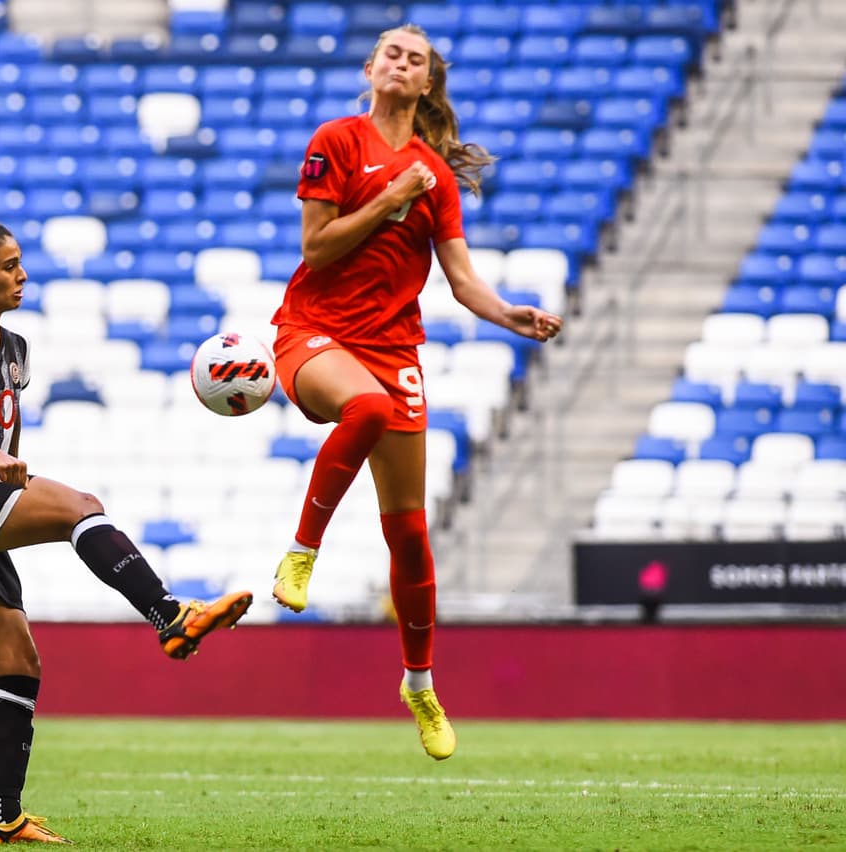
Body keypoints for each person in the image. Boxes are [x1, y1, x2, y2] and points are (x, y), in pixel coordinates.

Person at [0, 218, 254, 844]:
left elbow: (7, 443)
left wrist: (4, 466)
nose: (22, 275)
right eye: (9, 266)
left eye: (21, 263)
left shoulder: (16, 350)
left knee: (18, 662)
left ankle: (1, 820)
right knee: (81, 504)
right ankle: (170, 616)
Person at [268, 25, 563, 761]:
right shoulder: (336, 141)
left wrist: (508, 313)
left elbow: (462, 280)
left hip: (393, 348)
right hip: (313, 333)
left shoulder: (434, 172)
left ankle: (419, 683)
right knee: (364, 407)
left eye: (417, 60)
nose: (402, 64)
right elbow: (317, 247)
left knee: (410, 533)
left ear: (427, 83)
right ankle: (303, 550)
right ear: (371, 68)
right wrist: (392, 196)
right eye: (391, 54)